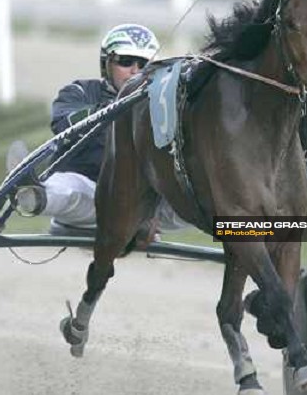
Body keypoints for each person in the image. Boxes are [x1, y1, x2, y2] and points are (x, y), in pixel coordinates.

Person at [12, 23, 188, 240]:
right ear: (106, 64)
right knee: (68, 190)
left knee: (203, 203)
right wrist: (116, 108)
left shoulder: (163, 104)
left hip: (146, 208)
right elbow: (64, 125)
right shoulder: (79, 92)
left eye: (143, 63)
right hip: (91, 198)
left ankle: (240, 231)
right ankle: (33, 196)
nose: (135, 70)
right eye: (125, 61)